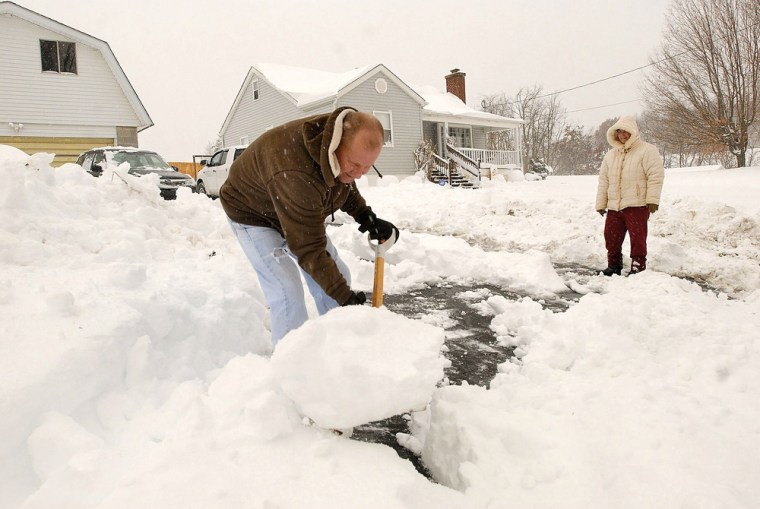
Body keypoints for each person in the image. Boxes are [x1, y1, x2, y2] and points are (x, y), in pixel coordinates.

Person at [219, 107, 398, 347]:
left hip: (292, 206)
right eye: (354, 164)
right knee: (286, 290)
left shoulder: (334, 149)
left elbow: (343, 183)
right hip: (253, 213)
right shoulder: (296, 172)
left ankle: (339, 345)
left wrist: (366, 217)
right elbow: (308, 248)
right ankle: (292, 364)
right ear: (336, 145)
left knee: (338, 275)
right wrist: (344, 297)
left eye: (366, 168)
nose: (357, 174)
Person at [595, 116, 664, 276]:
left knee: (638, 239)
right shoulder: (610, 155)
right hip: (614, 206)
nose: (623, 135)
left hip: (637, 204)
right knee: (611, 238)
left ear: (633, 132)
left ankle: (638, 267)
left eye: (626, 132)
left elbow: (655, 175)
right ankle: (614, 265)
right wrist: (601, 203)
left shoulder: (647, 150)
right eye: (619, 132)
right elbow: (604, 181)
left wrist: (652, 199)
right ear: (615, 133)